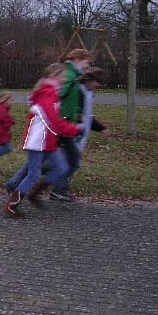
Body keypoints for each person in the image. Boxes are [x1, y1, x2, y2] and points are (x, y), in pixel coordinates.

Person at [3, 63, 83, 218]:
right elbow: (53, 119)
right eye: (63, 75)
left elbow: (55, 118)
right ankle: (12, 205)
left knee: (61, 168)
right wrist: (74, 129)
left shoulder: (53, 92)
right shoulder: (47, 93)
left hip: (48, 141)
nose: (65, 78)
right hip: (38, 141)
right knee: (33, 174)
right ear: (54, 74)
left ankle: (35, 193)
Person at [50, 67, 106, 202]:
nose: (98, 86)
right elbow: (75, 113)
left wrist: (100, 127)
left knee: (66, 161)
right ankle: (58, 189)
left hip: (76, 133)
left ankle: (58, 187)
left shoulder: (87, 92)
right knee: (72, 162)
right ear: (91, 80)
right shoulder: (79, 91)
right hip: (71, 132)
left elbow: (86, 116)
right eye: (97, 82)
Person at [50, 48, 93, 201]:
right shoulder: (69, 75)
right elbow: (58, 95)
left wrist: (78, 113)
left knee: (66, 158)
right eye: (86, 62)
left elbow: (71, 99)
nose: (87, 65)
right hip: (64, 123)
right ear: (77, 59)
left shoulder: (73, 74)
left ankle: (54, 185)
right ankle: (57, 189)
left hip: (67, 122)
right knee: (72, 159)